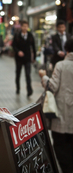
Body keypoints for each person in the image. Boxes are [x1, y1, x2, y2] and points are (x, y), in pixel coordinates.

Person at [39, 39, 73, 173]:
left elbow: (52, 87)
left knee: (61, 146)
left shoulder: (61, 65)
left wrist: (44, 77)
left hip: (62, 115)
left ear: (67, 50)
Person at [12, 20, 36, 97]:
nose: (25, 28)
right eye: (23, 26)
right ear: (21, 27)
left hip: (27, 58)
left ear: (28, 27)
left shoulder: (30, 35)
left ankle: (29, 90)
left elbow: (33, 47)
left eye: (26, 26)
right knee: (18, 74)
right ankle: (17, 88)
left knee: (28, 74)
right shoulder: (17, 35)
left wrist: (34, 57)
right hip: (19, 58)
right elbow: (13, 46)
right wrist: (18, 51)